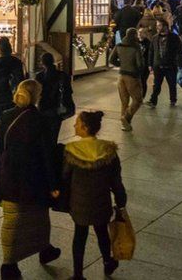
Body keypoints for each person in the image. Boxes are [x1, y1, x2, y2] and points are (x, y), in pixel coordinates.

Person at [0, 79, 60, 279]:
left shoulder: (6, 116)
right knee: (39, 214)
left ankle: (14, 261)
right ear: (36, 96)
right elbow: (47, 155)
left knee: (11, 219)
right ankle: (11, 264)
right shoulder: (41, 120)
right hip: (33, 177)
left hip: (9, 174)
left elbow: (0, 147)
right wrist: (54, 184)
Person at [60, 111, 126, 279]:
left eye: (77, 123)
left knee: (79, 237)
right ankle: (107, 262)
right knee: (102, 232)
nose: (74, 126)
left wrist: (61, 198)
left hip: (79, 203)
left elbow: (65, 178)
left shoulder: (72, 150)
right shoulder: (108, 150)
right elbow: (116, 180)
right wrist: (121, 200)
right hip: (101, 201)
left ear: (85, 128)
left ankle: (78, 274)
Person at [109, 28, 145, 131]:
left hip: (121, 76)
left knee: (124, 102)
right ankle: (126, 118)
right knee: (137, 100)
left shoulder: (119, 45)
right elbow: (140, 64)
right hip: (132, 76)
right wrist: (139, 71)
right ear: (134, 36)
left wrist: (121, 65)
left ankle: (124, 125)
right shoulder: (136, 47)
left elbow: (111, 59)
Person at [34, 53, 73, 151]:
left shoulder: (39, 76)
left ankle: (45, 155)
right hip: (57, 109)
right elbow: (69, 91)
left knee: (43, 135)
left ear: (42, 63)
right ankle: (52, 153)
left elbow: (36, 93)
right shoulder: (62, 76)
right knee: (54, 135)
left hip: (43, 108)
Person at [147, 19, 182, 108]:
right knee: (157, 85)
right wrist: (150, 64)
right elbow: (151, 51)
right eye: (157, 25)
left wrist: (180, 64)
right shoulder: (154, 38)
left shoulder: (174, 38)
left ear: (165, 26)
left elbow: (180, 52)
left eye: (159, 25)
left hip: (170, 65)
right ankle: (153, 101)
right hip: (158, 65)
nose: (157, 27)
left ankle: (173, 100)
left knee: (172, 84)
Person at [0, 37, 25, 122]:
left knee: (1, 123)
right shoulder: (15, 63)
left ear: (0, 50)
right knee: (12, 123)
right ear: (10, 49)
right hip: (11, 97)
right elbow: (20, 81)